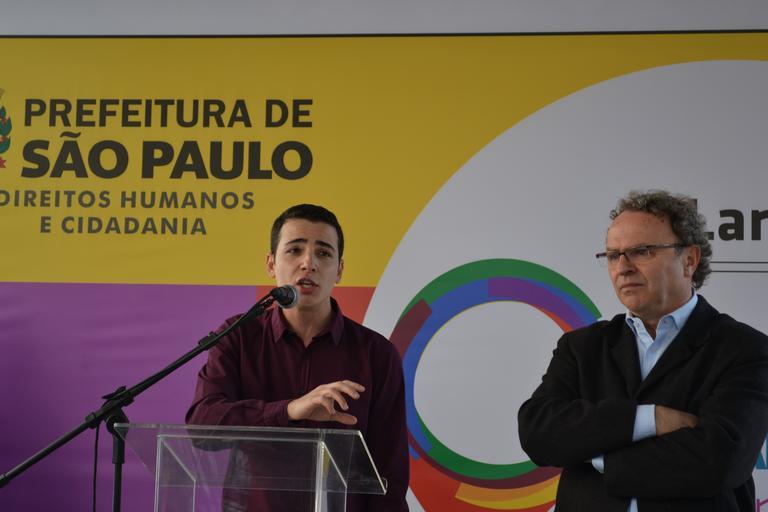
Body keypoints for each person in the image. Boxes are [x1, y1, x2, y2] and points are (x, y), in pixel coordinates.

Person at [518, 190, 768, 512]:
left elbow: (721, 460)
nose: (623, 267)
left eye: (641, 251)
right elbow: (538, 432)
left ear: (689, 260)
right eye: (613, 255)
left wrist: (595, 453)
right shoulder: (581, 347)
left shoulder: (746, 348)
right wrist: (649, 419)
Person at [186, 203, 409, 512]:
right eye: (294, 250)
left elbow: (389, 479)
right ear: (271, 264)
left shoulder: (376, 355)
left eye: (324, 253)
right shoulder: (238, 337)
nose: (309, 263)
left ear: (339, 270)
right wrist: (289, 410)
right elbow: (202, 427)